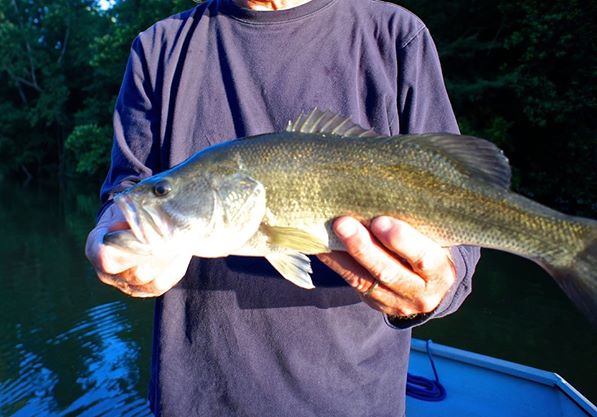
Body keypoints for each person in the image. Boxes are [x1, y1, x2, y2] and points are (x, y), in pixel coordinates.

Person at [86, 0, 480, 415]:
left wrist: (437, 286)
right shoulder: (157, 48)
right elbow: (127, 191)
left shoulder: (396, 35)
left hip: (353, 399)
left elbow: (463, 211)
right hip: (198, 401)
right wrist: (120, 247)